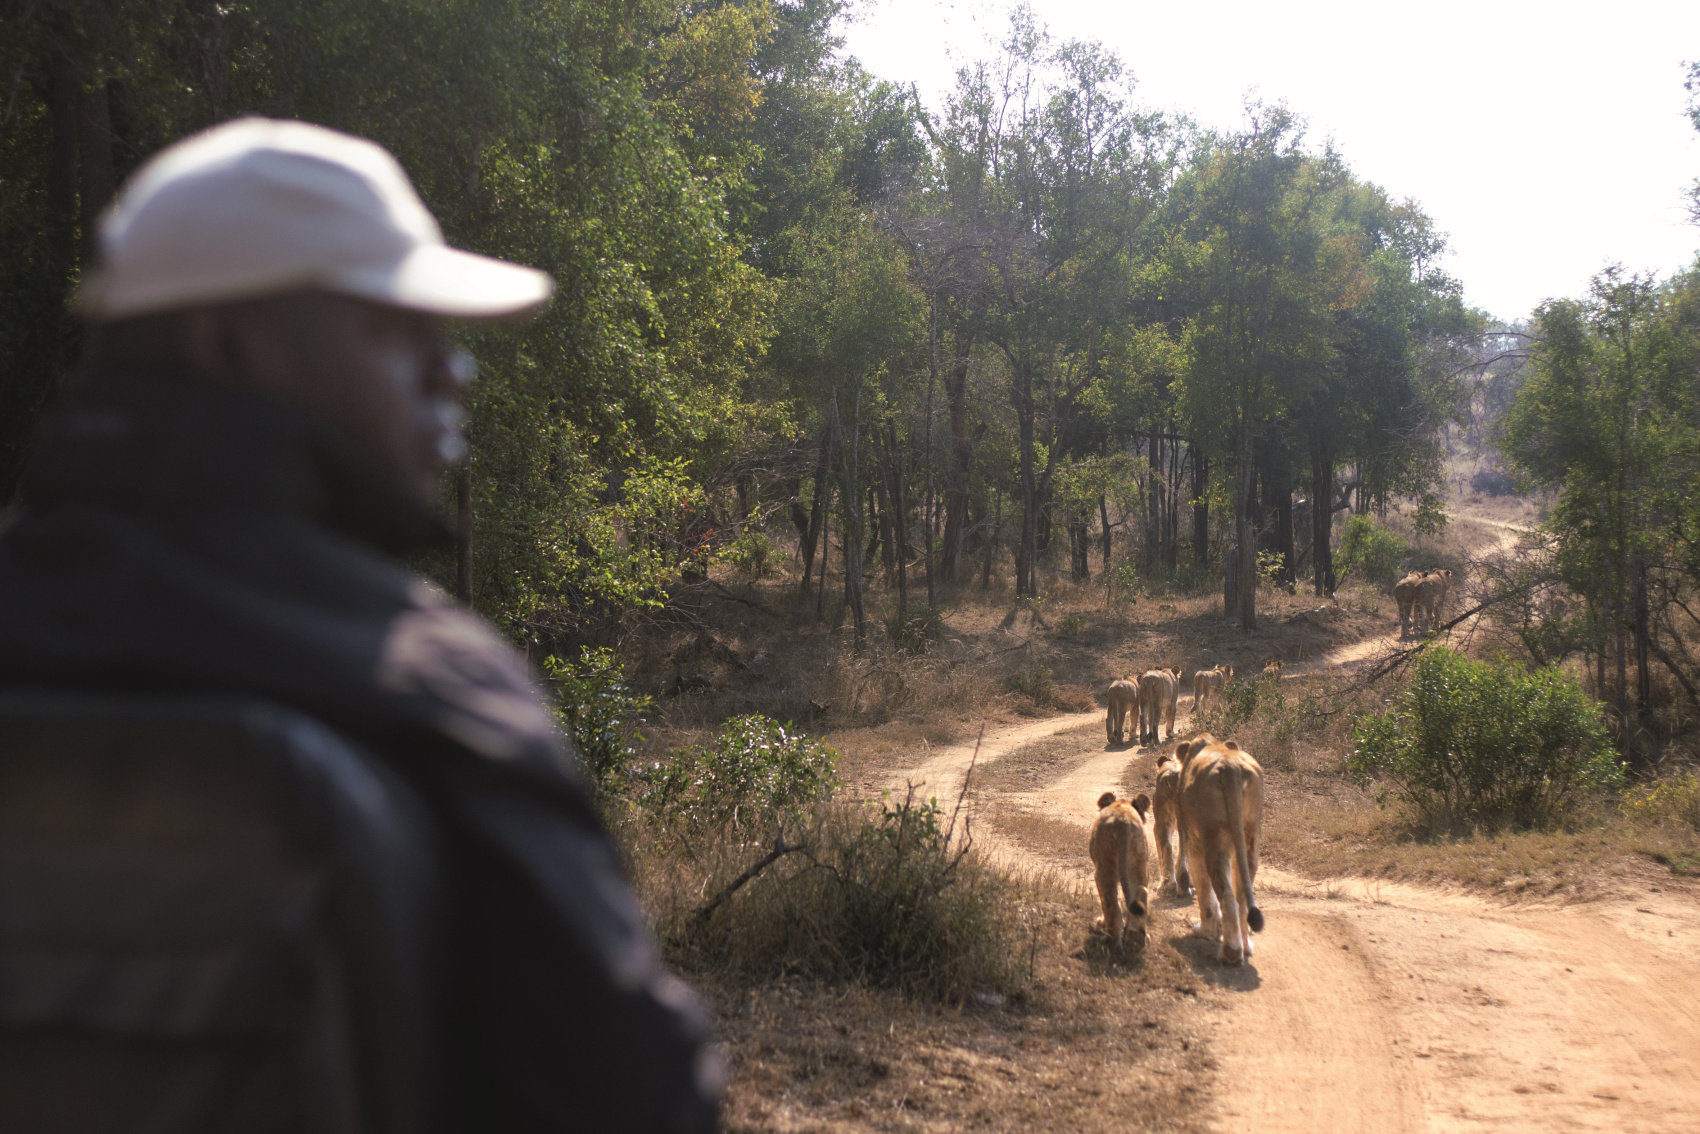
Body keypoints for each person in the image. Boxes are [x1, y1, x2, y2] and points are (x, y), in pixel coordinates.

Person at [0, 118, 722, 1132]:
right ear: (223, 338)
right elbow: (625, 1097)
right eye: (395, 328)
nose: (450, 370)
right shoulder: (427, 683)